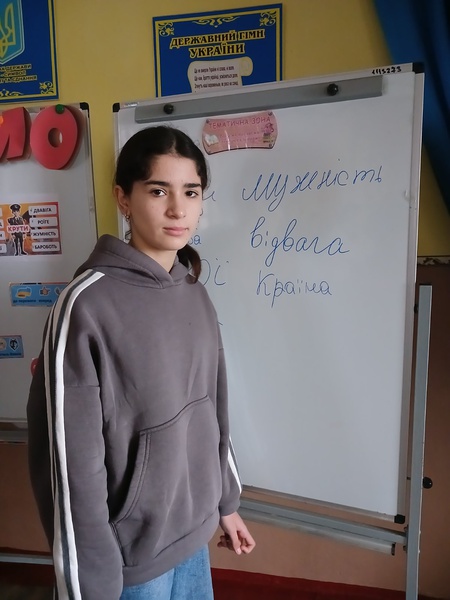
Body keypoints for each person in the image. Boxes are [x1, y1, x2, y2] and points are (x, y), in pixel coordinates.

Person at [27, 125, 255, 600]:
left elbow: (213, 411)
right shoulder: (85, 305)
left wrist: (225, 502)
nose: (178, 209)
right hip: (129, 561)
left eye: (190, 191)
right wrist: (89, 584)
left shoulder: (193, 292)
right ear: (123, 198)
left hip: (193, 536)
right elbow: (69, 463)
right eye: (158, 191)